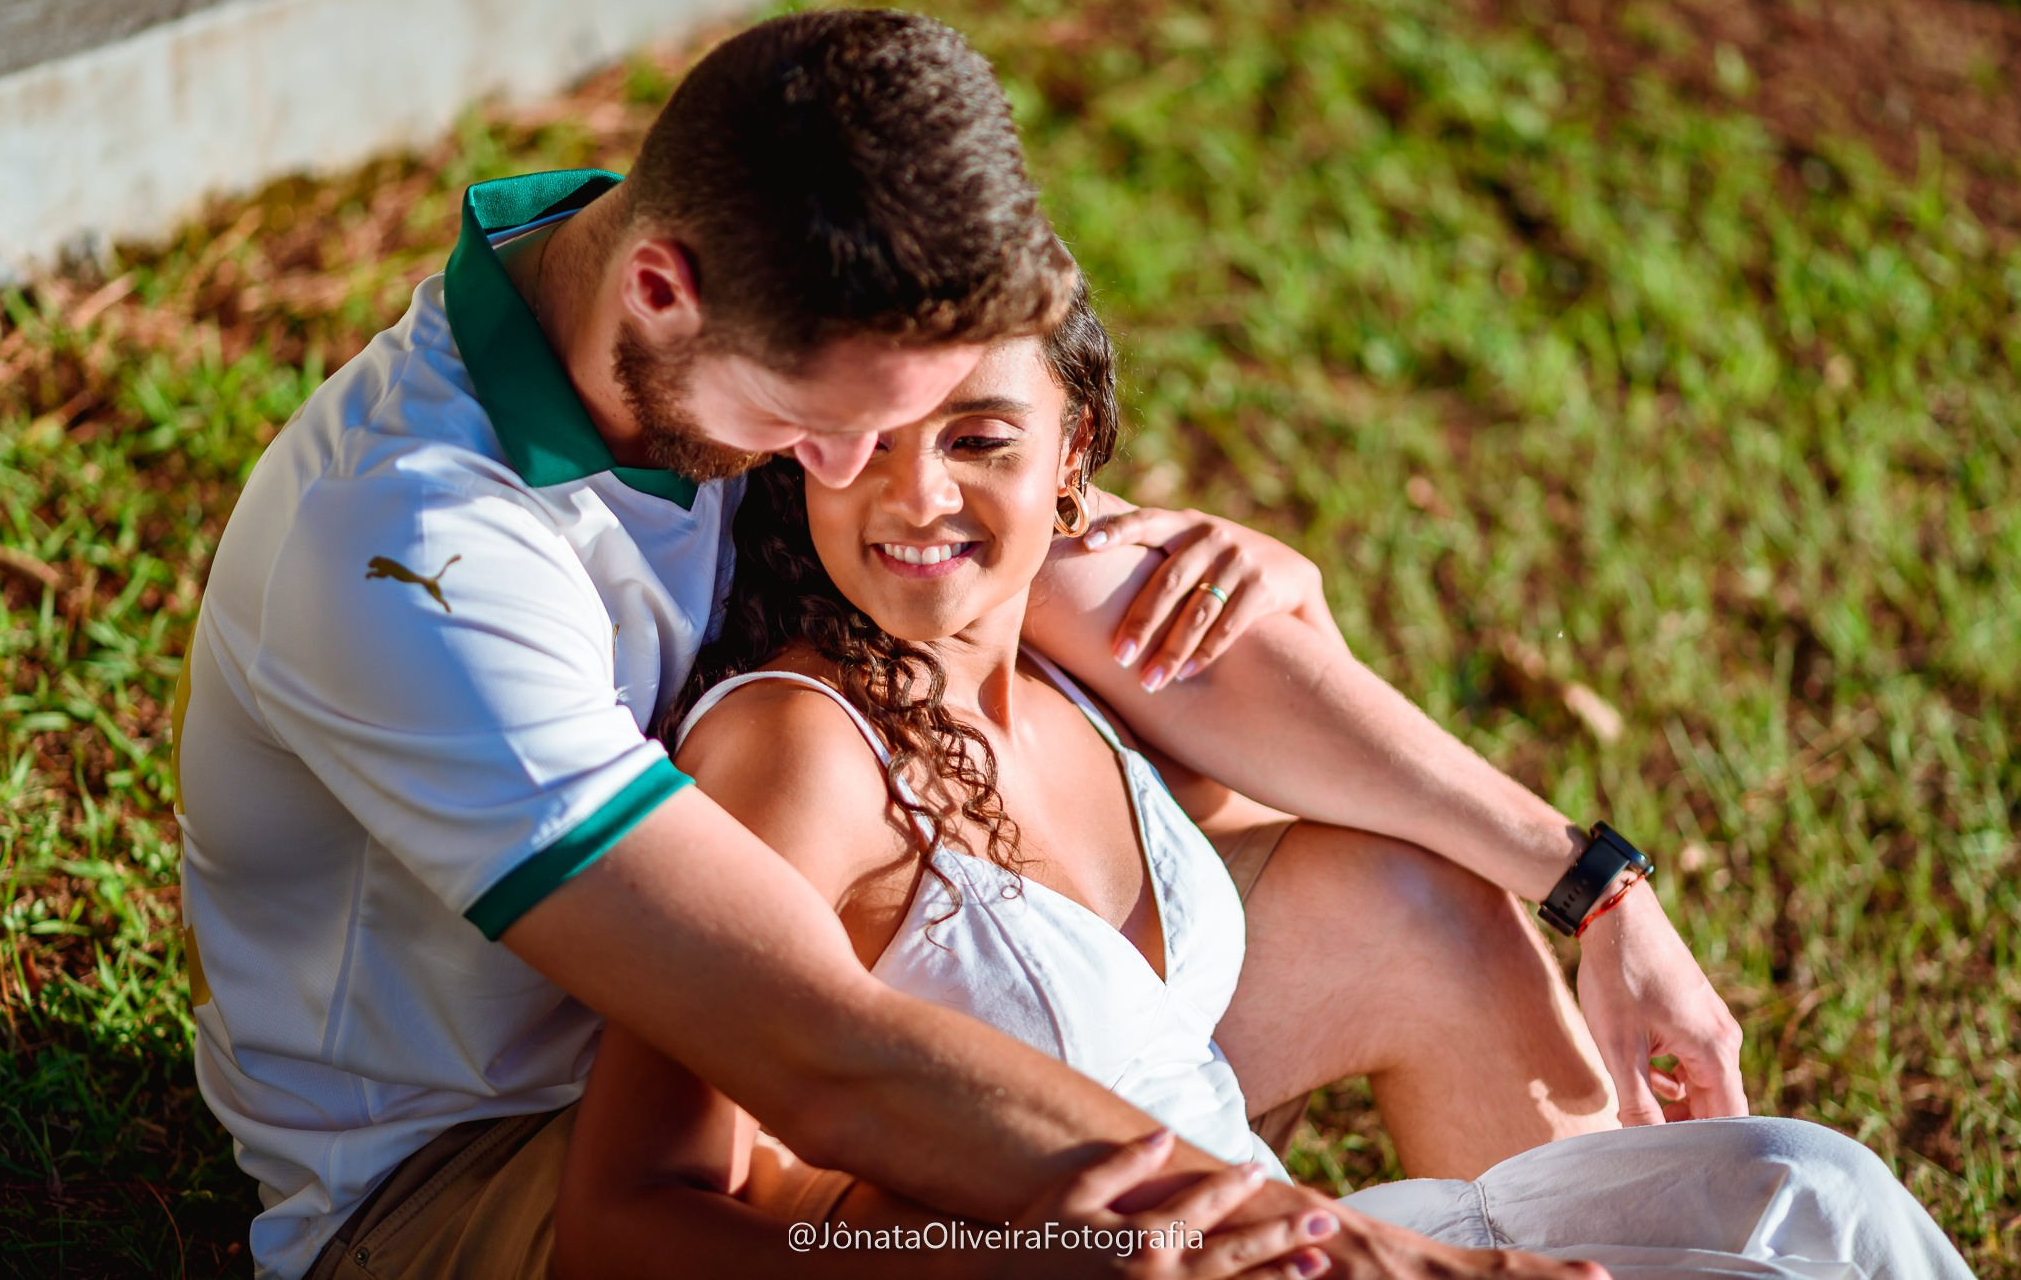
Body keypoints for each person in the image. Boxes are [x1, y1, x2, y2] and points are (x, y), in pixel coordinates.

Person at [175, 7, 1745, 1280]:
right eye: (827, 436)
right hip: (486, 1167)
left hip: (799, 1011)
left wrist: (1590, 882)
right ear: (662, 290)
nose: (871, 483)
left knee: (1414, 902)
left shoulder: (742, 327)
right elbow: (812, 1047)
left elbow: (1070, 578)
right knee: (1047, 1245)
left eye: (936, 428)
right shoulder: (414, 552)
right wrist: (1313, 1245)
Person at [555, 288, 1973, 1279]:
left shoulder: (1066, 679)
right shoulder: (797, 748)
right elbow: (643, 1228)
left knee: (1816, 1195)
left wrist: (1301, 605)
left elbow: (1332, 877)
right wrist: (1032, 1255)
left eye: (980, 436)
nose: (913, 498)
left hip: (1315, 1245)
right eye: (860, 438)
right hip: (1165, 1267)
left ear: (1075, 462)